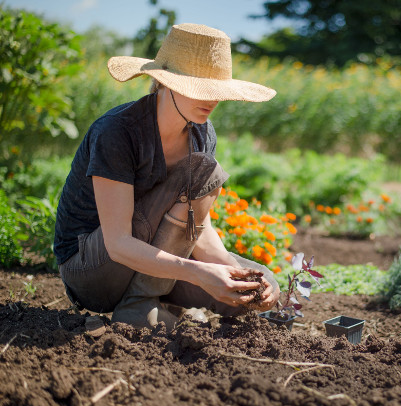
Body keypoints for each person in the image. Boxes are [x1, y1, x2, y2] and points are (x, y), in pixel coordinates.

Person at [53, 23, 280, 331]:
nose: (212, 99)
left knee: (255, 282)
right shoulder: (119, 131)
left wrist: (235, 273)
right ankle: (138, 306)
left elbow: (196, 227)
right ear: (166, 83)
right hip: (93, 269)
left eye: (218, 90)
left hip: (151, 264)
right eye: (201, 88)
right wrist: (198, 273)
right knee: (203, 170)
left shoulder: (201, 132)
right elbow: (118, 243)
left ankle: (150, 302)